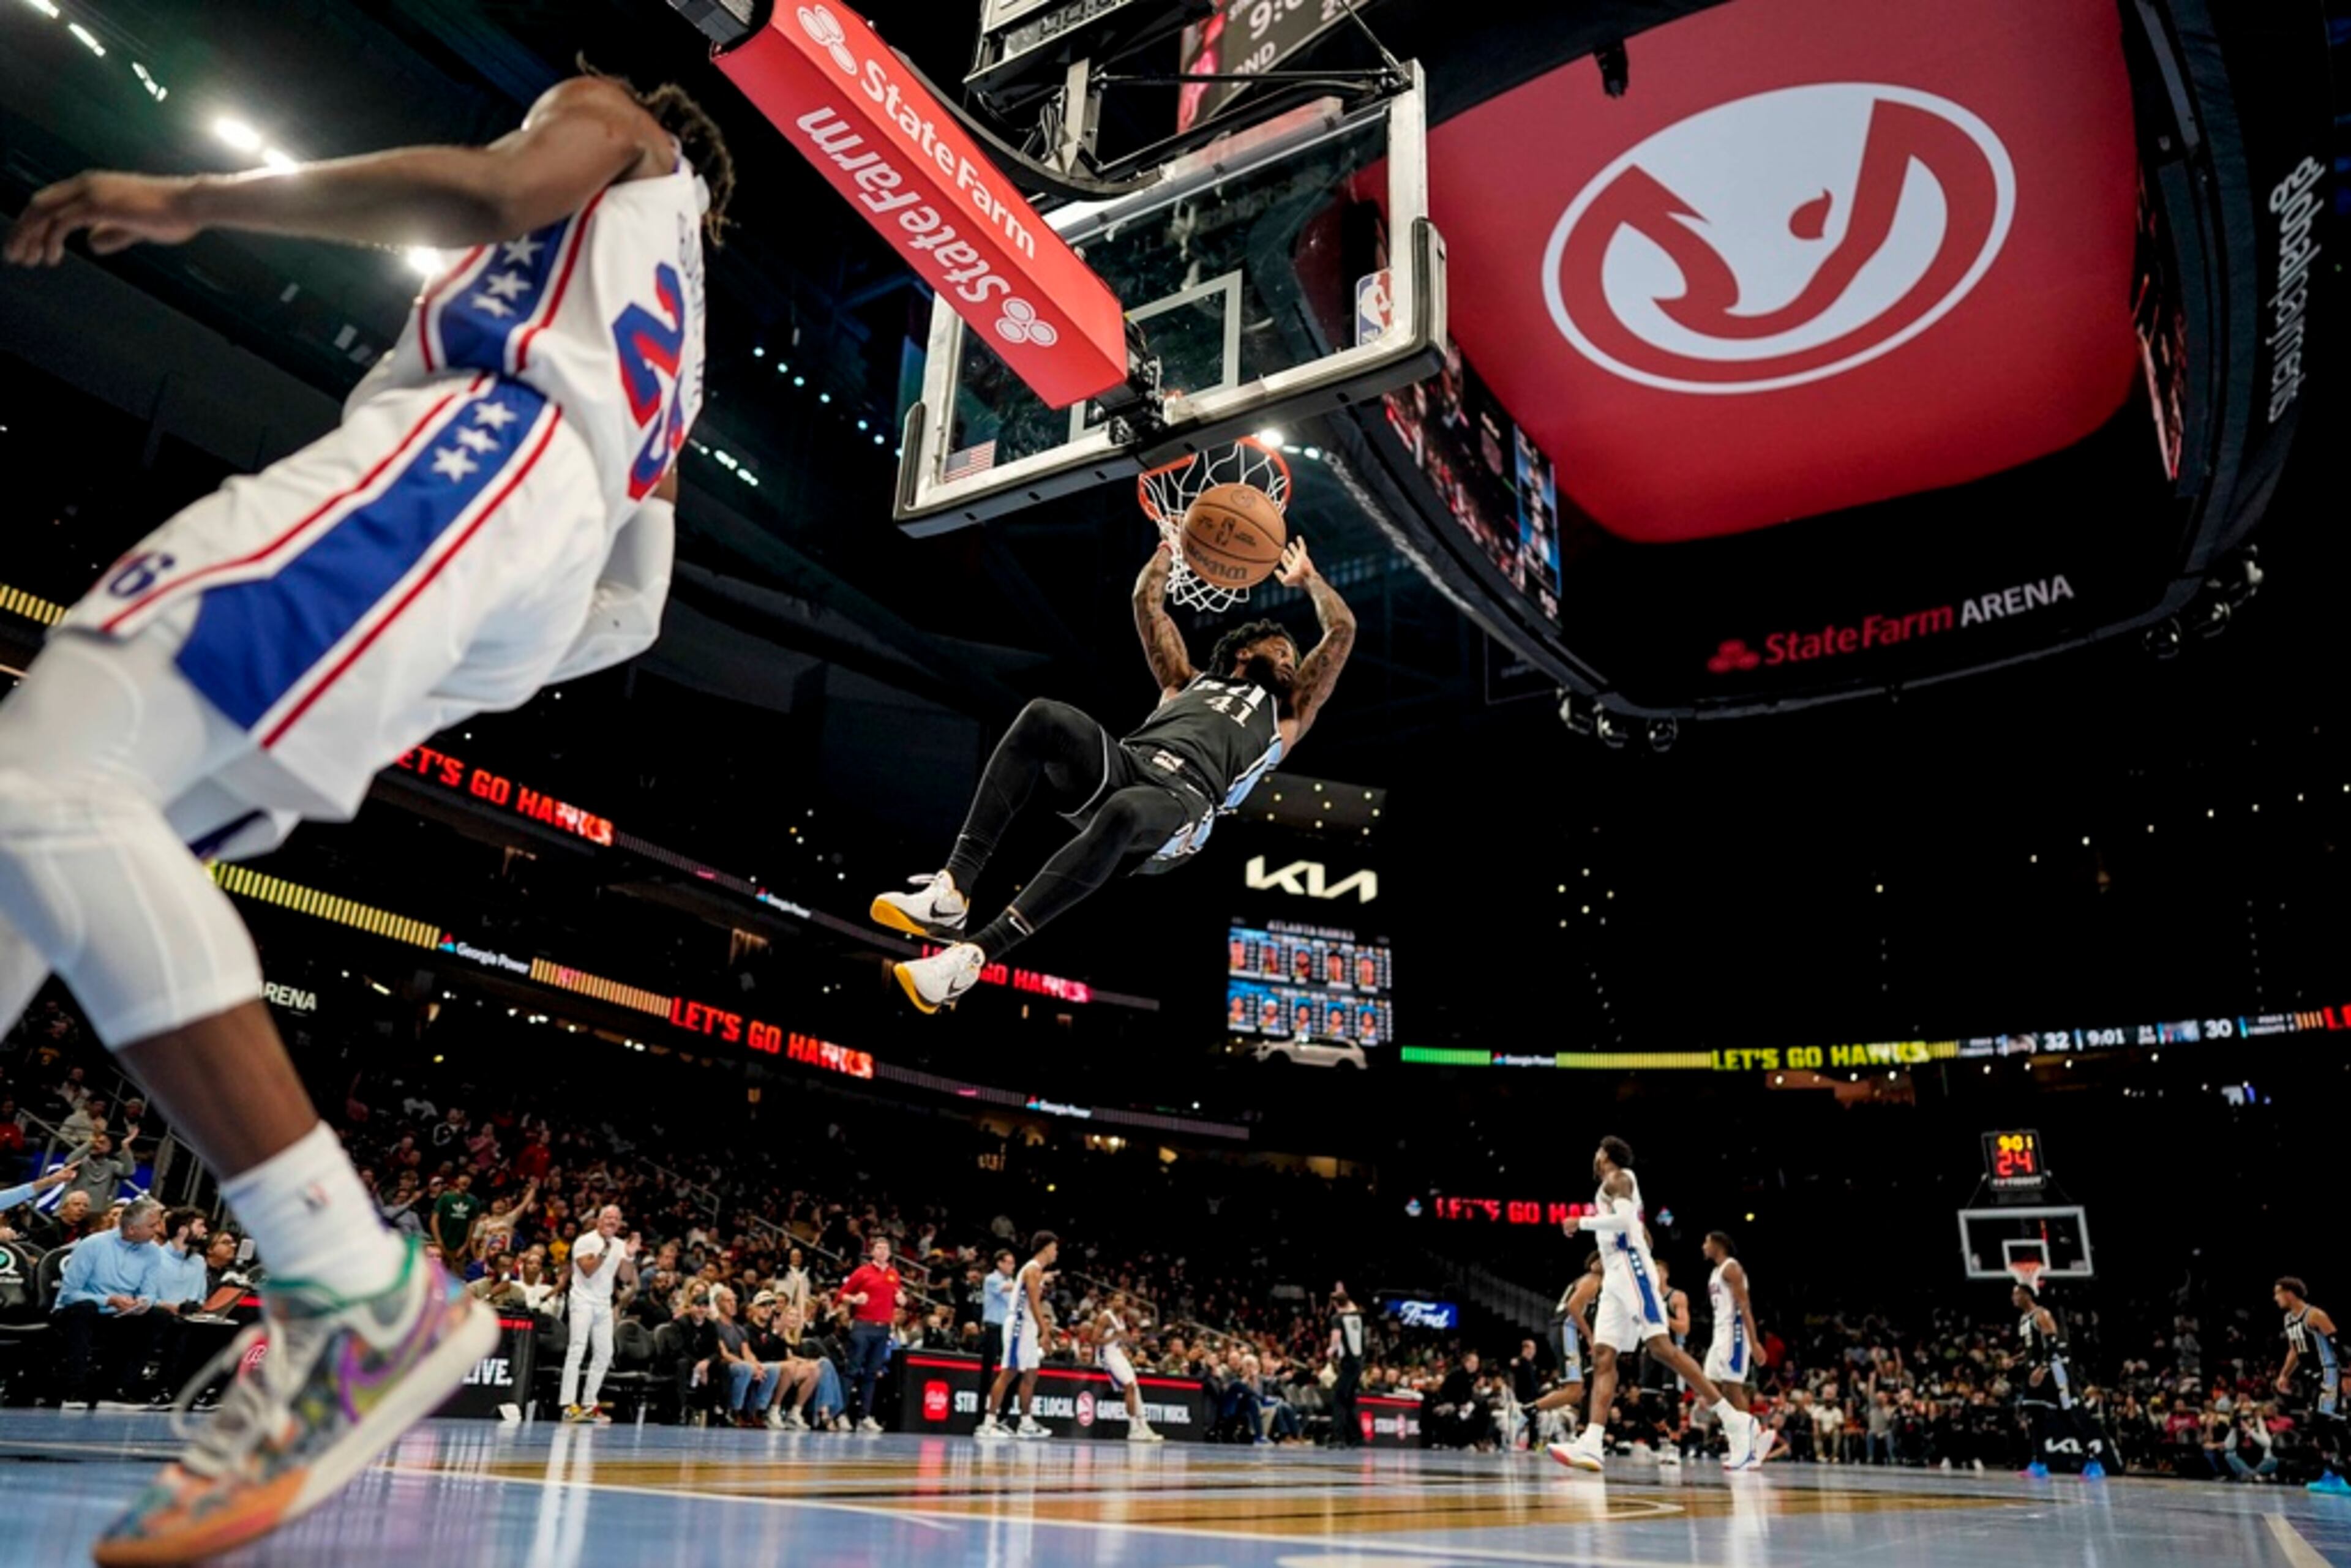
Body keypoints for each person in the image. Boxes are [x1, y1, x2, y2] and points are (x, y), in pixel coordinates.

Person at [0, 60, 731, 1562]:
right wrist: (462, 634)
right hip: (519, 549)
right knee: (38, 853)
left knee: (48, 770)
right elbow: (631, 617)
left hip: (475, 453)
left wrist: (192, 198)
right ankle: (340, 1283)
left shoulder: (617, 125)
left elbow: (490, 191)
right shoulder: (674, 327)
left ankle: (349, 1285)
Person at [883, 540, 1357, 1011]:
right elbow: (1146, 603)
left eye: (1293, 656)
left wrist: (1310, 578)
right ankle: (954, 887)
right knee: (1043, 715)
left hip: (1186, 803)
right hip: (1130, 763)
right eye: (1281, 650)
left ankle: (974, 954)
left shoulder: (1287, 713)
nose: (1291, 660)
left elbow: (1341, 628)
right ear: (1244, 651)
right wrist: (1168, 550)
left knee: (1126, 809)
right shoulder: (1185, 681)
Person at [1551, 1138, 1762, 1474]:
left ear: (1606, 1156)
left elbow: (1626, 1226)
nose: (1594, 1156)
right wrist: (1628, 1237)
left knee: (1662, 1348)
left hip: (1630, 1269)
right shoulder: (1616, 1188)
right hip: (1616, 1273)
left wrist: (1582, 1223)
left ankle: (1734, 1421)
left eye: (1597, 1151)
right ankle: (1592, 1442)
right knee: (1604, 1355)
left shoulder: (1619, 1178)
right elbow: (1643, 1234)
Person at [53, 1195, 165, 1408]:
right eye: (152, 1226)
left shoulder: (152, 1252)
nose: (158, 1230)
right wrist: (109, 1300)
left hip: (119, 1313)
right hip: (77, 1310)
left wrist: (142, 1302)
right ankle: (74, 1390)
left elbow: (150, 1293)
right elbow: (69, 1294)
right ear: (132, 1229)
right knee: (85, 1310)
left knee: (159, 1316)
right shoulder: (93, 1245)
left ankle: (119, 1389)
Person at [2014, 1280, 2109, 1480]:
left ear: (2027, 1296)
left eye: (2017, 1294)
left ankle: (2093, 1462)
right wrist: (2014, 1360)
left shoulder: (2042, 1315)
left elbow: (2054, 1343)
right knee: (2036, 1418)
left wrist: (2043, 1368)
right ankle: (2039, 1464)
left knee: (2066, 1416)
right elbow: (2032, 1348)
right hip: (2033, 1375)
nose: (2013, 1298)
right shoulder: (2024, 1319)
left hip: (2051, 1373)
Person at [977, 1231, 1059, 1440]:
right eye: (1055, 1248)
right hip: (1020, 1325)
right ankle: (988, 1424)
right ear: (1047, 1248)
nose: (1056, 1252)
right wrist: (1045, 1331)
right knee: (1009, 1372)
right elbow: (1033, 1302)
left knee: (1031, 1375)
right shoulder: (1032, 1270)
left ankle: (1026, 1422)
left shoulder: (1036, 1270)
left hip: (1028, 1326)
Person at [2275, 1277, 2350, 1493]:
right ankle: (2337, 1473)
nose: (2275, 1298)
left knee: (2324, 1421)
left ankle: (2337, 1474)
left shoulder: (2315, 1315)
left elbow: (2339, 1344)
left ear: (2289, 1293)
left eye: (2278, 1293)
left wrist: (2346, 1375)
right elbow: (2294, 1351)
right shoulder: (2289, 1319)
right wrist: (2284, 1375)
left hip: (2330, 1375)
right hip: (2312, 1378)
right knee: (2331, 1424)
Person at [560, 1204, 634, 1424]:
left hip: (603, 1303)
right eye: (608, 1217)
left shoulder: (620, 1245)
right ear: (599, 1220)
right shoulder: (585, 1241)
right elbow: (588, 1270)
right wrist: (605, 1249)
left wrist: (629, 1257)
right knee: (577, 1348)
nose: (612, 1221)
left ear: (620, 1223)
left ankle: (590, 1404)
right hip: (582, 1300)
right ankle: (567, 1405)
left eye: (616, 1218)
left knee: (605, 1353)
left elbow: (624, 1277)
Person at [1530, 1253, 1603, 1447]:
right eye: (1600, 1258)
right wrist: (1589, 1336)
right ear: (1592, 1263)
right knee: (1574, 1391)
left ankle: (1528, 1411)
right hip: (1567, 1330)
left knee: (1579, 1390)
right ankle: (1526, 1413)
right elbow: (1573, 1307)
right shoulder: (1593, 1280)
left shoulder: (1589, 1281)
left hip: (1567, 1331)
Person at [837, 1236, 903, 1433]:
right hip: (863, 1326)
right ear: (872, 1252)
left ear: (890, 1253)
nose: (882, 1252)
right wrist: (855, 1299)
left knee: (872, 1374)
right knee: (853, 1370)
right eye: (878, 1248)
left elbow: (898, 1296)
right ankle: (841, 1414)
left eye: (885, 1249)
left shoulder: (894, 1274)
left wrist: (902, 1299)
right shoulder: (862, 1272)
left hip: (883, 1328)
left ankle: (865, 1416)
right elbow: (841, 1295)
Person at [1701, 1231, 1766, 1427]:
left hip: (1734, 1334)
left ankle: (1748, 1438)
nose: (1703, 1246)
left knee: (1733, 1389)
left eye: (1706, 1242)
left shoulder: (1732, 1268)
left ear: (1718, 1245)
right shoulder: (1715, 1272)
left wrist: (1754, 1343)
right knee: (1709, 1384)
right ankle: (1737, 1431)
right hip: (1719, 1334)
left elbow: (1745, 1307)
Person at [1096, 1292, 1163, 1442]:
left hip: (1118, 1354)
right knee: (1129, 1386)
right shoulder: (1105, 1317)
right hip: (1106, 1355)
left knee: (1136, 1387)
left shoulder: (1122, 1318)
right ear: (1111, 1302)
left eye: (1122, 1300)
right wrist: (1115, 1337)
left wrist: (1135, 1346)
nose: (1120, 1302)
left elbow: (1124, 1339)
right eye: (1117, 1299)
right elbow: (1095, 1339)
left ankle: (1143, 1426)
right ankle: (1133, 1429)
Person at [980, 1248, 1018, 1424]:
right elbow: (1008, 1288)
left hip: (1008, 1330)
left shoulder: (1012, 1280)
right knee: (988, 1372)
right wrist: (1030, 1279)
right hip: (993, 1328)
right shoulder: (992, 1279)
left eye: (1013, 1263)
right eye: (1009, 1262)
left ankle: (1003, 1417)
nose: (1012, 1266)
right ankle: (982, 1417)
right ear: (999, 1263)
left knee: (1011, 1371)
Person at [1329, 1286, 1367, 1447]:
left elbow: (1336, 1336)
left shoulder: (1338, 1318)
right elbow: (1349, 1304)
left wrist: (1331, 1349)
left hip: (1348, 1363)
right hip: (1359, 1363)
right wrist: (1342, 1293)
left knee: (1338, 1399)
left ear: (1336, 1304)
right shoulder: (1356, 1316)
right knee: (1349, 1401)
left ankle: (1339, 1438)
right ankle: (1357, 1437)